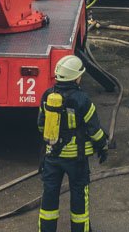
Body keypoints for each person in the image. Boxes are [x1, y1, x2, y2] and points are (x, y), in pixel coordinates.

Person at [37, 55, 109, 232]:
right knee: (79, 199)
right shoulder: (83, 100)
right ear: (76, 77)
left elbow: (40, 126)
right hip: (76, 160)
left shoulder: (47, 96)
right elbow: (95, 131)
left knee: (49, 197)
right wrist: (103, 147)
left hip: (52, 157)